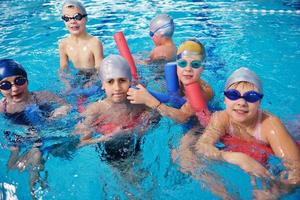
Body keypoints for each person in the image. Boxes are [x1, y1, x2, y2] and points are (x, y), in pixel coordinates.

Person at [194, 67, 300, 196]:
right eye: (233, 95)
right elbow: (202, 146)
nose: (242, 102)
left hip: (292, 134)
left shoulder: (271, 125)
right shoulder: (221, 118)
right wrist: (237, 158)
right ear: (225, 99)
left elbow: (296, 171)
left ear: (259, 102)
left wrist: (274, 193)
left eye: (251, 97)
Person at [0, 59, 71, 198]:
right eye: (5, 85)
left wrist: (59, 112)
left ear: (27, 80)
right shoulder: (3, 107)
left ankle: (35, 186)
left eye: (19, 81)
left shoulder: (42, 96)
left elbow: (67, 105)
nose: (14, 88)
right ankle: (32, 183)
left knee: (48, 153)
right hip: (18, 136)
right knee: (14, 157)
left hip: (44, 129)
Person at [75, 55, 158, 161]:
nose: (117, 88)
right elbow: (81, 142)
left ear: (130, 81)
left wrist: (145, 124)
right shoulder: (96, 109)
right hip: (108, 147)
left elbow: (156, 116)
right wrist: (107, 137)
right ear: (103, 84)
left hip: (136, 142)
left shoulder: (139, 102)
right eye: (110, 82)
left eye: (122, 80)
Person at [128, 39, 213, 123]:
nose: (188, 69)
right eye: (182, 63)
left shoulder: (203, 92)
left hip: (195, 123)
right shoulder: (176, 76)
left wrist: (150, 101)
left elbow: (182, 117)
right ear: (177, 64)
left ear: (203, 68)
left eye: (195, 64)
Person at [59, 0, 104, 91]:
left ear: (86, 18)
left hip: (93, 76)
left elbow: (100, 68)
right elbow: (63, 69)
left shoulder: (94, 42)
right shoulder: (63, 44)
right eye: (67, 18)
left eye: (77, 17)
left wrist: (93, 81)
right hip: (77, 76)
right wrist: (67, 84)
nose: (72, 21)